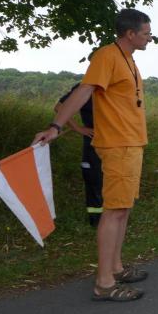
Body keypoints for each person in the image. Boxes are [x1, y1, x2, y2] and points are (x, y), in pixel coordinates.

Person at [33, 9, 152, 302]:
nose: (150, 38)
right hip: (117, 145)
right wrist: (56, 126)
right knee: (113, 211)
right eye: (146, 33)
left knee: (123, 209)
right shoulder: (106, 56)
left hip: (131, 143)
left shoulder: (128, 59)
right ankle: (104, 283)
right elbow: (84, 91)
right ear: (130, 34)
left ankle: (116, 268)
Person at [56, 83, 103, 227]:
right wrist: (78, 128)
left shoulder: (115, 86)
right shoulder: (84, 86)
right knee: (94, 180)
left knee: (112, 180)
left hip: (115, 143)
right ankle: (96, 220)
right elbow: (59, 107)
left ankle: (113, 218)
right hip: (93, 143)